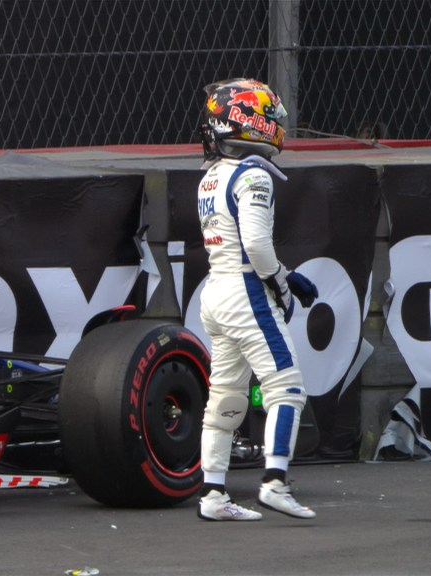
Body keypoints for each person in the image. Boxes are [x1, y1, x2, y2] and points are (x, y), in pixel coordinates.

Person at [194, 78, 319, 521]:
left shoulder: (210, 176)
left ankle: (212, 494)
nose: (277, 124)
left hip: (215, 292)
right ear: (249, 122)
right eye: (271, 116)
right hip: (246, 289)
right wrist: (283, 283)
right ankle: (275, 482)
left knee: (225, 395)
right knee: (287, 388)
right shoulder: (252, 173)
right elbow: (258, 246)